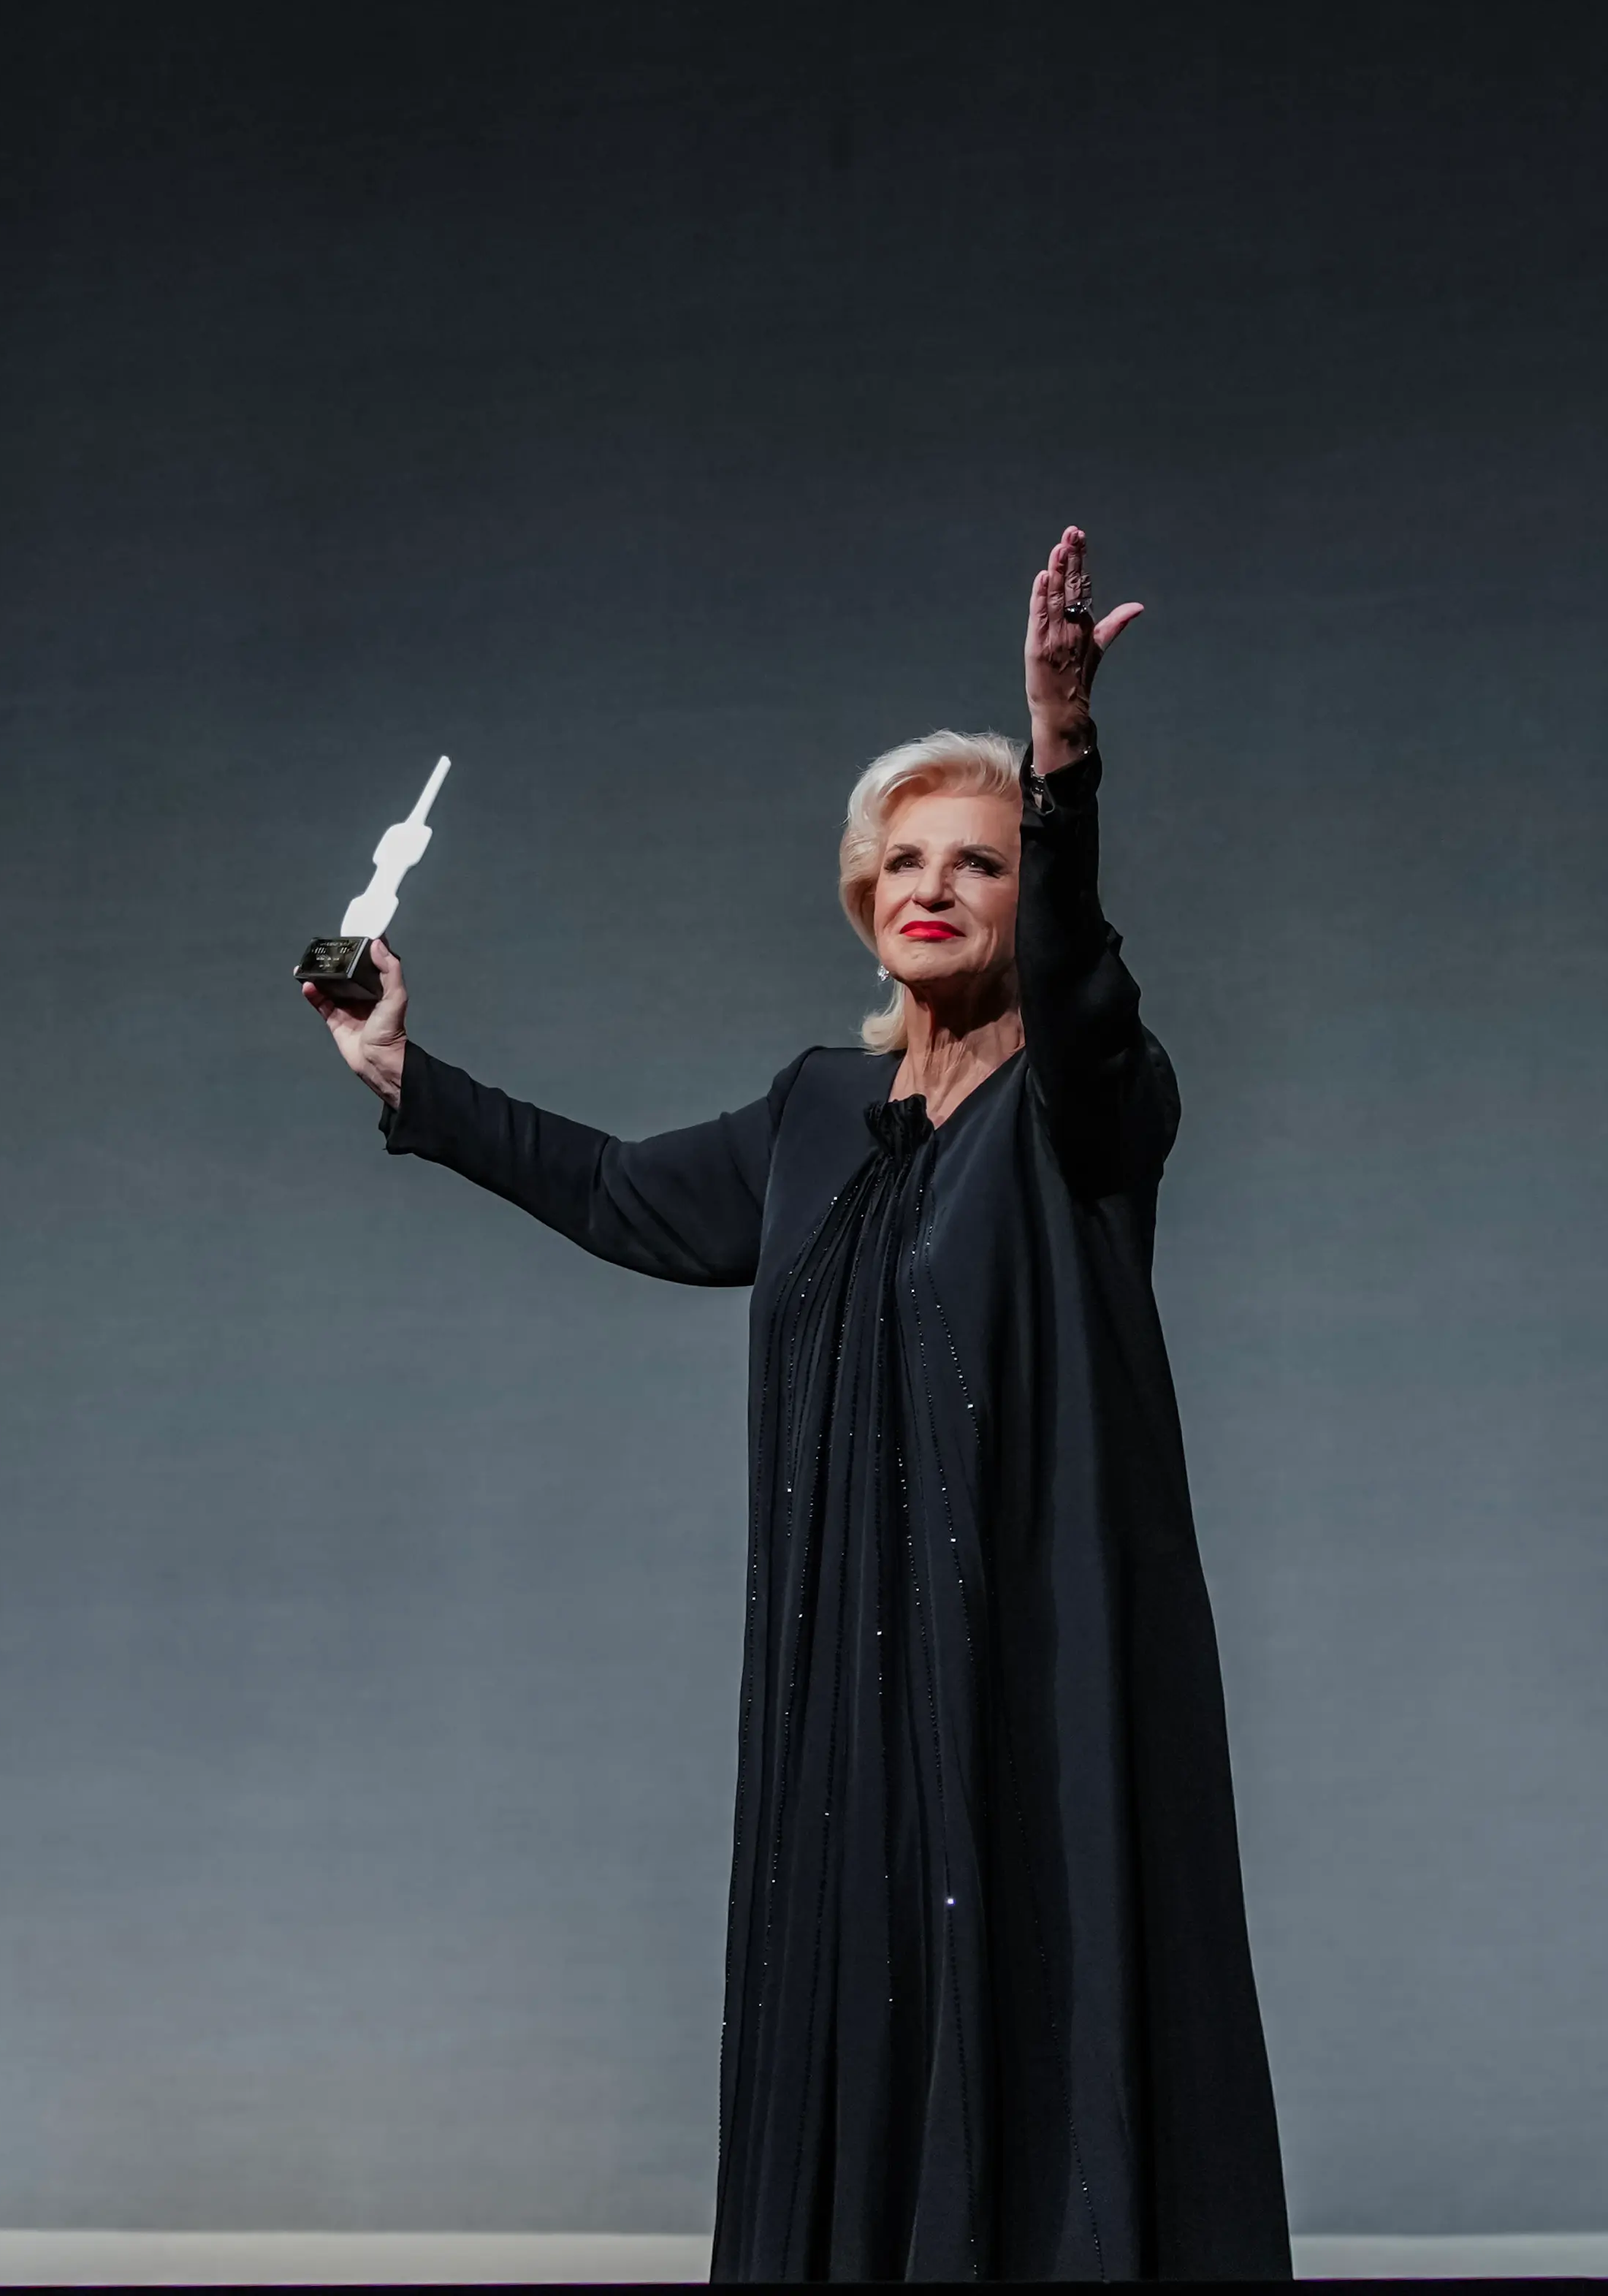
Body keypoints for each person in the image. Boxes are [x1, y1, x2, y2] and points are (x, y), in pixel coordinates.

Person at [306, 527, 1287, 2282]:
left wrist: (1057, 745)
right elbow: (615, 1191)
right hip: (848, 1685)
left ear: (1022, 894)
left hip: (1028, 1682)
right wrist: (404, 1073)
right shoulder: (817, 1113)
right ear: (861, 896)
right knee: (857, 2007)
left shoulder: (1089, 1107)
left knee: (1038, 1997)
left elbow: (1076, 985)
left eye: (976, 866)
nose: (931, 889)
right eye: (900, 862)